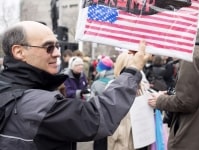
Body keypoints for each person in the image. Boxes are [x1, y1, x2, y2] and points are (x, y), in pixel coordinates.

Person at [0, 21, 149, 150]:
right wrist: (133, 70)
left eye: (57, 46)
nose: (57, 53)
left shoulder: (9, 86)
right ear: (19, 52)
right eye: (48, 47)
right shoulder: (34, 103)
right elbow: (96, 118)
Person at [148, 42, 199, 149]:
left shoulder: (191, 57)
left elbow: (185, 102)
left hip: (189, 136)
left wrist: (160, 100)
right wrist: (170, 94)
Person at [91, 56, 115, 150]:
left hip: (100, 122)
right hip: (116, 121)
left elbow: (91, 104)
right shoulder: (118, 80)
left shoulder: (96, 84)